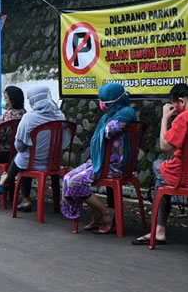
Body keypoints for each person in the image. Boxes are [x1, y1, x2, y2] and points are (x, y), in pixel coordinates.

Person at [133, 83, 188, 245]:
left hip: (186, 176)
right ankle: (159, 225)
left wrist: (165, 118)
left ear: (181, 102)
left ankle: (159, 229)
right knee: (162, 173)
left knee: (157, 166)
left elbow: (165, 145)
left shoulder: (184, 118)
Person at [58, 82, 137, 233]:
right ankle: (97, 211)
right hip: (103, 161)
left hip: (114, 166)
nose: (102, 104)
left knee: (76, 182)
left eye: (105, 101)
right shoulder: (111, 114)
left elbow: (110, 130)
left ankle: (106, 213)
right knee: (68, 177)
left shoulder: (126, 113)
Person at [0, 85, 71, 214]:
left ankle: (22, 196)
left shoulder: (29, 118)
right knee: (25, 158)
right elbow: (65, 143)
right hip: (53, 162)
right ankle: (55, 202)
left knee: (22, 158)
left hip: (31, 162)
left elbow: (19, 146)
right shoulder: (60, 115)